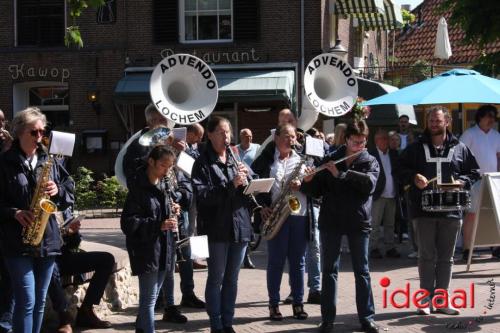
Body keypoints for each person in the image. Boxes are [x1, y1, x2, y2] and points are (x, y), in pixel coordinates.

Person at [301, 119, 380, 333]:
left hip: (358, 221)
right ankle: (327, 320)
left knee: (362, 271)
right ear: (346, 140)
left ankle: (367, 318)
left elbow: (369, 186)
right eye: (355, 142)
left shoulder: (370, 160)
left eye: (363, 142)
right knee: (329, 271)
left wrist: (342, 174)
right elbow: (316, 191)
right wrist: (308, 181)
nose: (360, 146)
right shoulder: (331, 159)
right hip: (332, 221)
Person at [399, 106, 479, 315]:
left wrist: (462, 181)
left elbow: (474, 171)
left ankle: (442, 301)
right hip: (423, 211)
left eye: (438, 120)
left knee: (447, 258)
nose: (434, 124)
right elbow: (400, 169)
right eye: (431, 120)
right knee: (426, 256)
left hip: (452, 212)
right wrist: (413, 178)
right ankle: (425, 300)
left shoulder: (460, 147)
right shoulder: (415, 148)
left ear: (447, 121)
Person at [0, 107, 74, 333]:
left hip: (47, 238)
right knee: (27, 300)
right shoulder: (4, 163)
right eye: (34, 132)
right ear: (20, 132)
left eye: (42, 132)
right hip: (16, 240)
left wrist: (58, 190)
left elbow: (69, 191)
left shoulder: (49, 161)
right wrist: (14, 212)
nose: (39, 137)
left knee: (40, 301)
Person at [191, 116, 255, 333]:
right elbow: (203, 196)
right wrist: (230, 185)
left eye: (228, 132)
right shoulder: (202, 162)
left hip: (239, 226)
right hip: (216, 228)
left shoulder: (236, 157)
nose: (226, 136)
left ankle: (228, 322)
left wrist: (249, 182)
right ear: (209, 135)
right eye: (221, 132)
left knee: (232, 278)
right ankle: (215, 323)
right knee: (216, 278)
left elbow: (248, 191)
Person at [252, 123, 312, 321]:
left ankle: (298, 303)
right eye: (286, 136)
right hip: (277, 215)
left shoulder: (303, 160)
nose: (290, 140)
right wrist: (261, 206)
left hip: (299, 215)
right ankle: (274, 304)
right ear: (276, 138)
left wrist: (304, 183)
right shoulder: (266, 160)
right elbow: (255, 186)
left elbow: (317, 189)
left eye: (293, 136)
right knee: (276, 262)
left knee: (298, 262)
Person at [121, 145, 180, 333]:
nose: (166, 171)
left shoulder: (164, 185)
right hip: (146, 249)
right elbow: (128, 223)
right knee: (148, 300)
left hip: (164, 247)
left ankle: (141, 328)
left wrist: (173, 210)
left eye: (170, 167)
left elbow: (162, 214)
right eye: (163, 166)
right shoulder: (138, 187)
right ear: (151, 162)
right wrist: (159, 224)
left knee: (153, 297)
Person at [48, 209, 114, 333]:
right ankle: (64, 318)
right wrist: (64, 232)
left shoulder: (63, 208)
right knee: (51, 270)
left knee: (107, 259)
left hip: (63, 257)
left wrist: (73, 233)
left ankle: (86, 310)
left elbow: (74, 245)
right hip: (46, 258)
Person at [459, 105, 500, 260]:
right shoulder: (469, 134)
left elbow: (498, 156)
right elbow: (460, 157)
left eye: (493, 117)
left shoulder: (496, 135)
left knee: (494, 214)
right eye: (488, 116)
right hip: (475, 180)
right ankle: (467, 248)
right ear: (480, 117)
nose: (491, 119)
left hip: (494, 180)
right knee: (472, 214)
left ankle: (496, 246)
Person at [369, 129, 400, 259]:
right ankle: (373, 248)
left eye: (387, 138)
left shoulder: (393, 154)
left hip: (391, 194)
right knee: (375, 224)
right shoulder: (371, 154)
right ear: (377, 141)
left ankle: (390, 247)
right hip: (378, 194)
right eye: (384, 139)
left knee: (390, 224)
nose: (387, 141)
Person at [236, 128, 260, 269]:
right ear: (240, 137)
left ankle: (247, 256)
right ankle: (241, 256)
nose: (248, 139)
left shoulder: (257, 148)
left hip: (251, 187)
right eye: (245, 136)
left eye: (250, 136)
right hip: (239, 188)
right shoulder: (234, 149)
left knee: (248, 225)